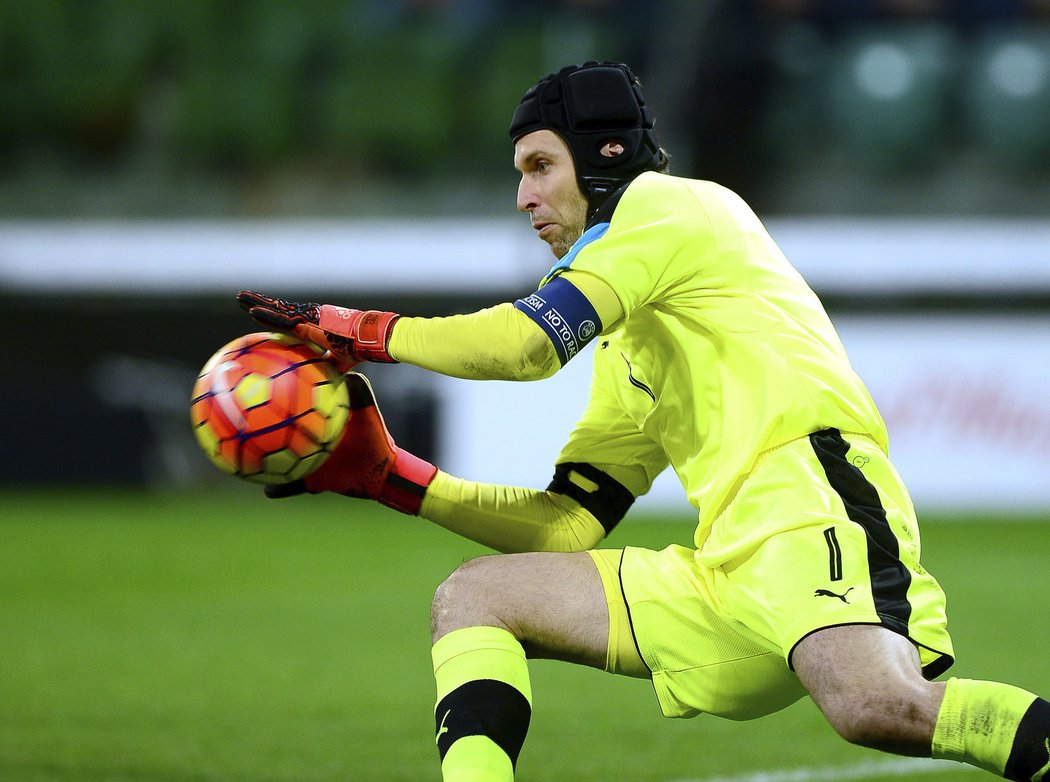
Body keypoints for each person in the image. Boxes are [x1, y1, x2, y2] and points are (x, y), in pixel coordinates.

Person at [236, 61, 1050, 782]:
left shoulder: (673, 208)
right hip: (726, 569)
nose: (523, 197)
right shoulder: (631, 344)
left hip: (812, 504)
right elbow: (565, 525)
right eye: (519, 173)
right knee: (475, 597)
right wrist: (395, 480)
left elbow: (523, 346)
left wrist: (365, 330)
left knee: (877, 706)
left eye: (539, 166)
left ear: (605, 157)